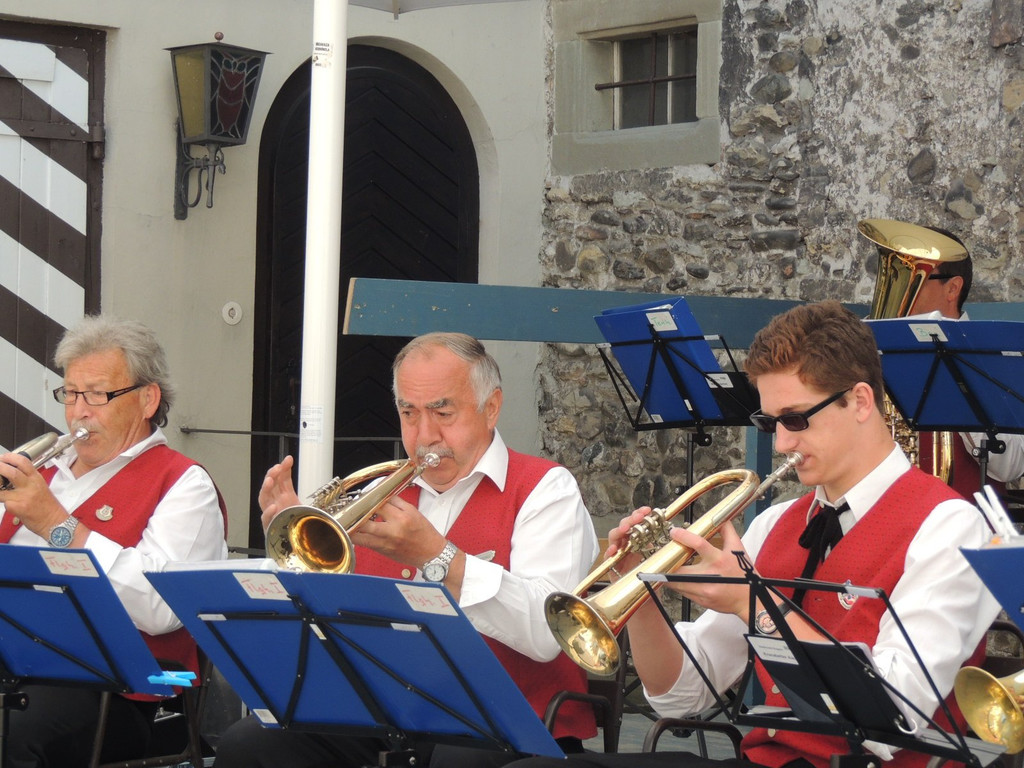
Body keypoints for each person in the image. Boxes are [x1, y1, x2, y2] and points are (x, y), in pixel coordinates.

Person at [503, 300, 1000, 768]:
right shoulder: (774, 523)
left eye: (796, 419)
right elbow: (681, 695)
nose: (781, 442)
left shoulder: (950, 526)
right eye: (770, 422)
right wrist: (640, 592)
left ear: (860, 401)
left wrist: (753, 603)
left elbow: (896, 711)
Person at [215, 331, 600, 768]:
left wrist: (437, 557)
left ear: (491, 407)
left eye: (443, 412)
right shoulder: (377, 492)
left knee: (457, 761)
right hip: (387, 716)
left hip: (511, 724)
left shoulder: (546, 490)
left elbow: (547, 633)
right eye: (409, 413)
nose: (425, 435)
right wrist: (293, 547)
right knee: (249, 744)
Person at [0, 315, 228, 767]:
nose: (78, 412)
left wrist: (56, 524)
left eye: (97, 394)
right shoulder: (42, 470)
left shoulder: (183, 484)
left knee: (12, 735)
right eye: (70, 393)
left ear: (147, 399)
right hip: (15, 668)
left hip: (115, 693)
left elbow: (161, 609)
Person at [865, 221, 1024, 498]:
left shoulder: (993, 356)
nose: (898, 288)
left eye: (913, 277)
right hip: (883, 514)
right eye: (894, 275)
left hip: (964, 516)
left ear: (952, 289)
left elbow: (1011, 466)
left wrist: (962, 386)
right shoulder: (870, 350)